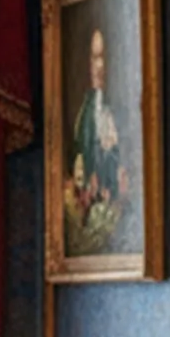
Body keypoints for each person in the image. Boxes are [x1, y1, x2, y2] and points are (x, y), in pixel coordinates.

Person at [70, 25, 122, 215]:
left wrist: (111, 148)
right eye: (94, 58)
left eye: (101, 58)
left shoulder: (119, 109)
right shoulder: (84, 111)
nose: (98, 66)